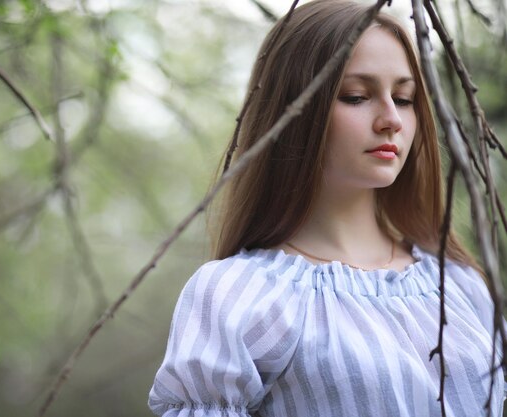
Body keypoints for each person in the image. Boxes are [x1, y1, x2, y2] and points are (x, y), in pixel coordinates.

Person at [148, 0, 505, 416]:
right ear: (295, 110)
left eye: (405, 99)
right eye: (356, 96)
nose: (391, 118)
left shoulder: (459, 287)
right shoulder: (242, 296)